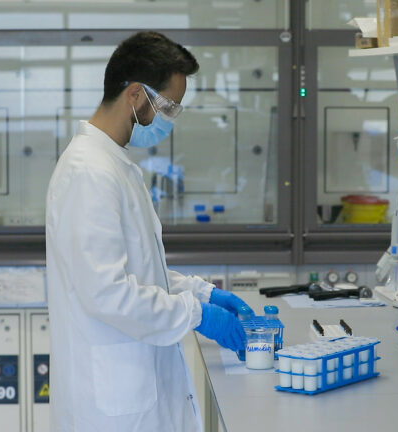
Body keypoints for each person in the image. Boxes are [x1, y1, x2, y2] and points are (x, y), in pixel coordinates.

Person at [45, 32, 252, 432]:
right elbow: (108, 292)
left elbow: (139, 271)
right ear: (136, 95)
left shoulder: (113, 164)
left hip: (134, 389)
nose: (170, 119)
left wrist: (202, 293)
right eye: (169, 106)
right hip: (112, 408)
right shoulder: (89, 172)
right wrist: (196, 314)